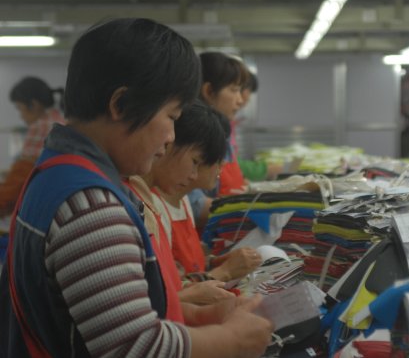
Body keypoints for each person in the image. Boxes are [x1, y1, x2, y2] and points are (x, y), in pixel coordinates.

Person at [0, 18, 272, 358]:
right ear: (121, 105)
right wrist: (231, 341)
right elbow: (134, 348)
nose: (172, 137)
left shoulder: (57, 173)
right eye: (171, 117)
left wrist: (198, 314)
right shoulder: (90, 205)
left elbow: (100, 317)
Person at [146, 102, 261, 293]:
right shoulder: (152, 206)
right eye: (196, 160)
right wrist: (223, 272)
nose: (222, 164)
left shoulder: (181, 200)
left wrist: (213, 263)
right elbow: (170, 293)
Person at [188, 51, 249, 229]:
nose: (240, 101)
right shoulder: (193, 138)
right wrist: (246, 208)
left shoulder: (225, 134)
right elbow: (193, 203)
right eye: (234, 90)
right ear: (208, 91)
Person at [0, 77, 65, 216]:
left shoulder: (41, 126)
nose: (21, 116)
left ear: (34, 105)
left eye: (20, 108)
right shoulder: (60, 120)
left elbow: (20, 180)